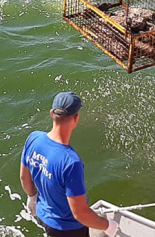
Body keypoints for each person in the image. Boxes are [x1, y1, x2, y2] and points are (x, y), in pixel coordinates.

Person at [20, 92, 118, 237]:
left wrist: (32, 197)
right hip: (67, 230)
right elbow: (80, 214)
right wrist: (108, 226)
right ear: (76, 117)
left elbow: (24, 177)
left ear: (52, 113)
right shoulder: (71, 162)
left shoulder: (33, 138)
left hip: (43, 215)